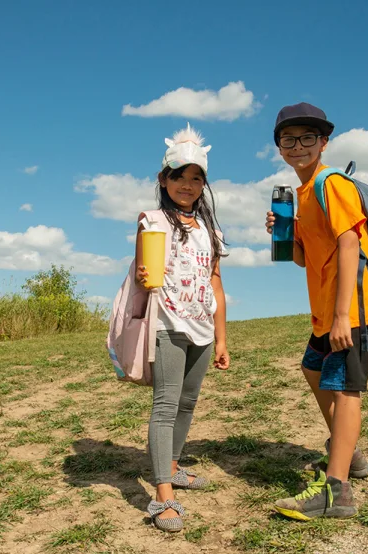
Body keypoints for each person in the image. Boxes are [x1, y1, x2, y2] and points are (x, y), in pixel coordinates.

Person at [265, 103, 368, 520]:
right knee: (313, 368)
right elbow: (302, 260)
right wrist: (289, 236)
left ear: (323, 142)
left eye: (307, 138)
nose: (298, 146)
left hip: (348, 307)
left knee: (345, 387)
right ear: (279, 147)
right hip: (326, 310)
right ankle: (349, 454)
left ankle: (336, 491)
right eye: (288, 139)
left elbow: (351, 245)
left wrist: (343, 315)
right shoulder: (304, 192)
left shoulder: (331, 183)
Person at [136, 124, 230, 532]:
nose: (188, 185)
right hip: (167, 324)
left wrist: (222, 336)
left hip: (203, 328)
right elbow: (144, 274)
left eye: (196, 178)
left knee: (188, 402)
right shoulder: (152, 221)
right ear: (163, 179)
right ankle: (163, 496)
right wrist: (143, 273)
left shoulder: (211, 230)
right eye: (179, 176)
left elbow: (216, 282)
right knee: (165, 404)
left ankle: (173, 468)